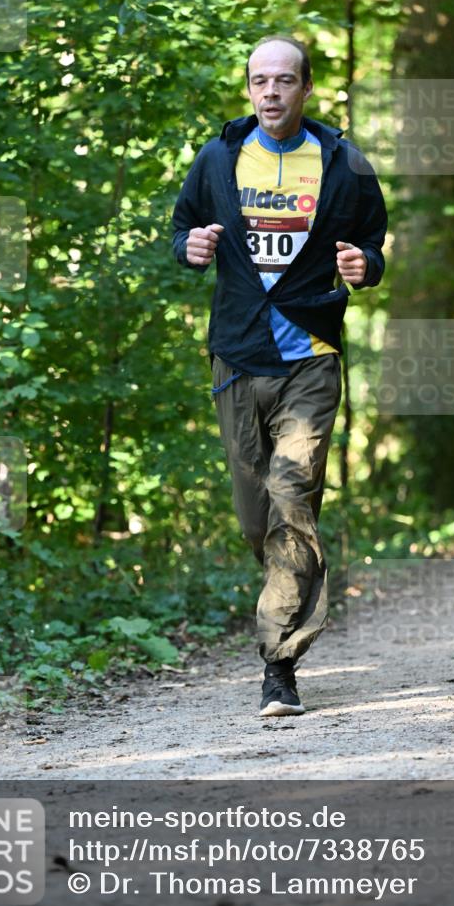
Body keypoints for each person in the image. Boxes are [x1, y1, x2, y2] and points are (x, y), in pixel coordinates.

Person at [172, 35, 387, 717]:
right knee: (254, 517)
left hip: (310, 354)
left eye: (284, 80)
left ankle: (278, 667)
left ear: (305, 88)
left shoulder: (341, 162)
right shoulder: (218, 158)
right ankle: (284, 603)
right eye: (259, 80)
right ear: (248, 88)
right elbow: (181, 228)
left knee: (293, 497)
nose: (270, 92)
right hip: (236, 354)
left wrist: (365, 266)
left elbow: (374, 238)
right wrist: (192, 246)